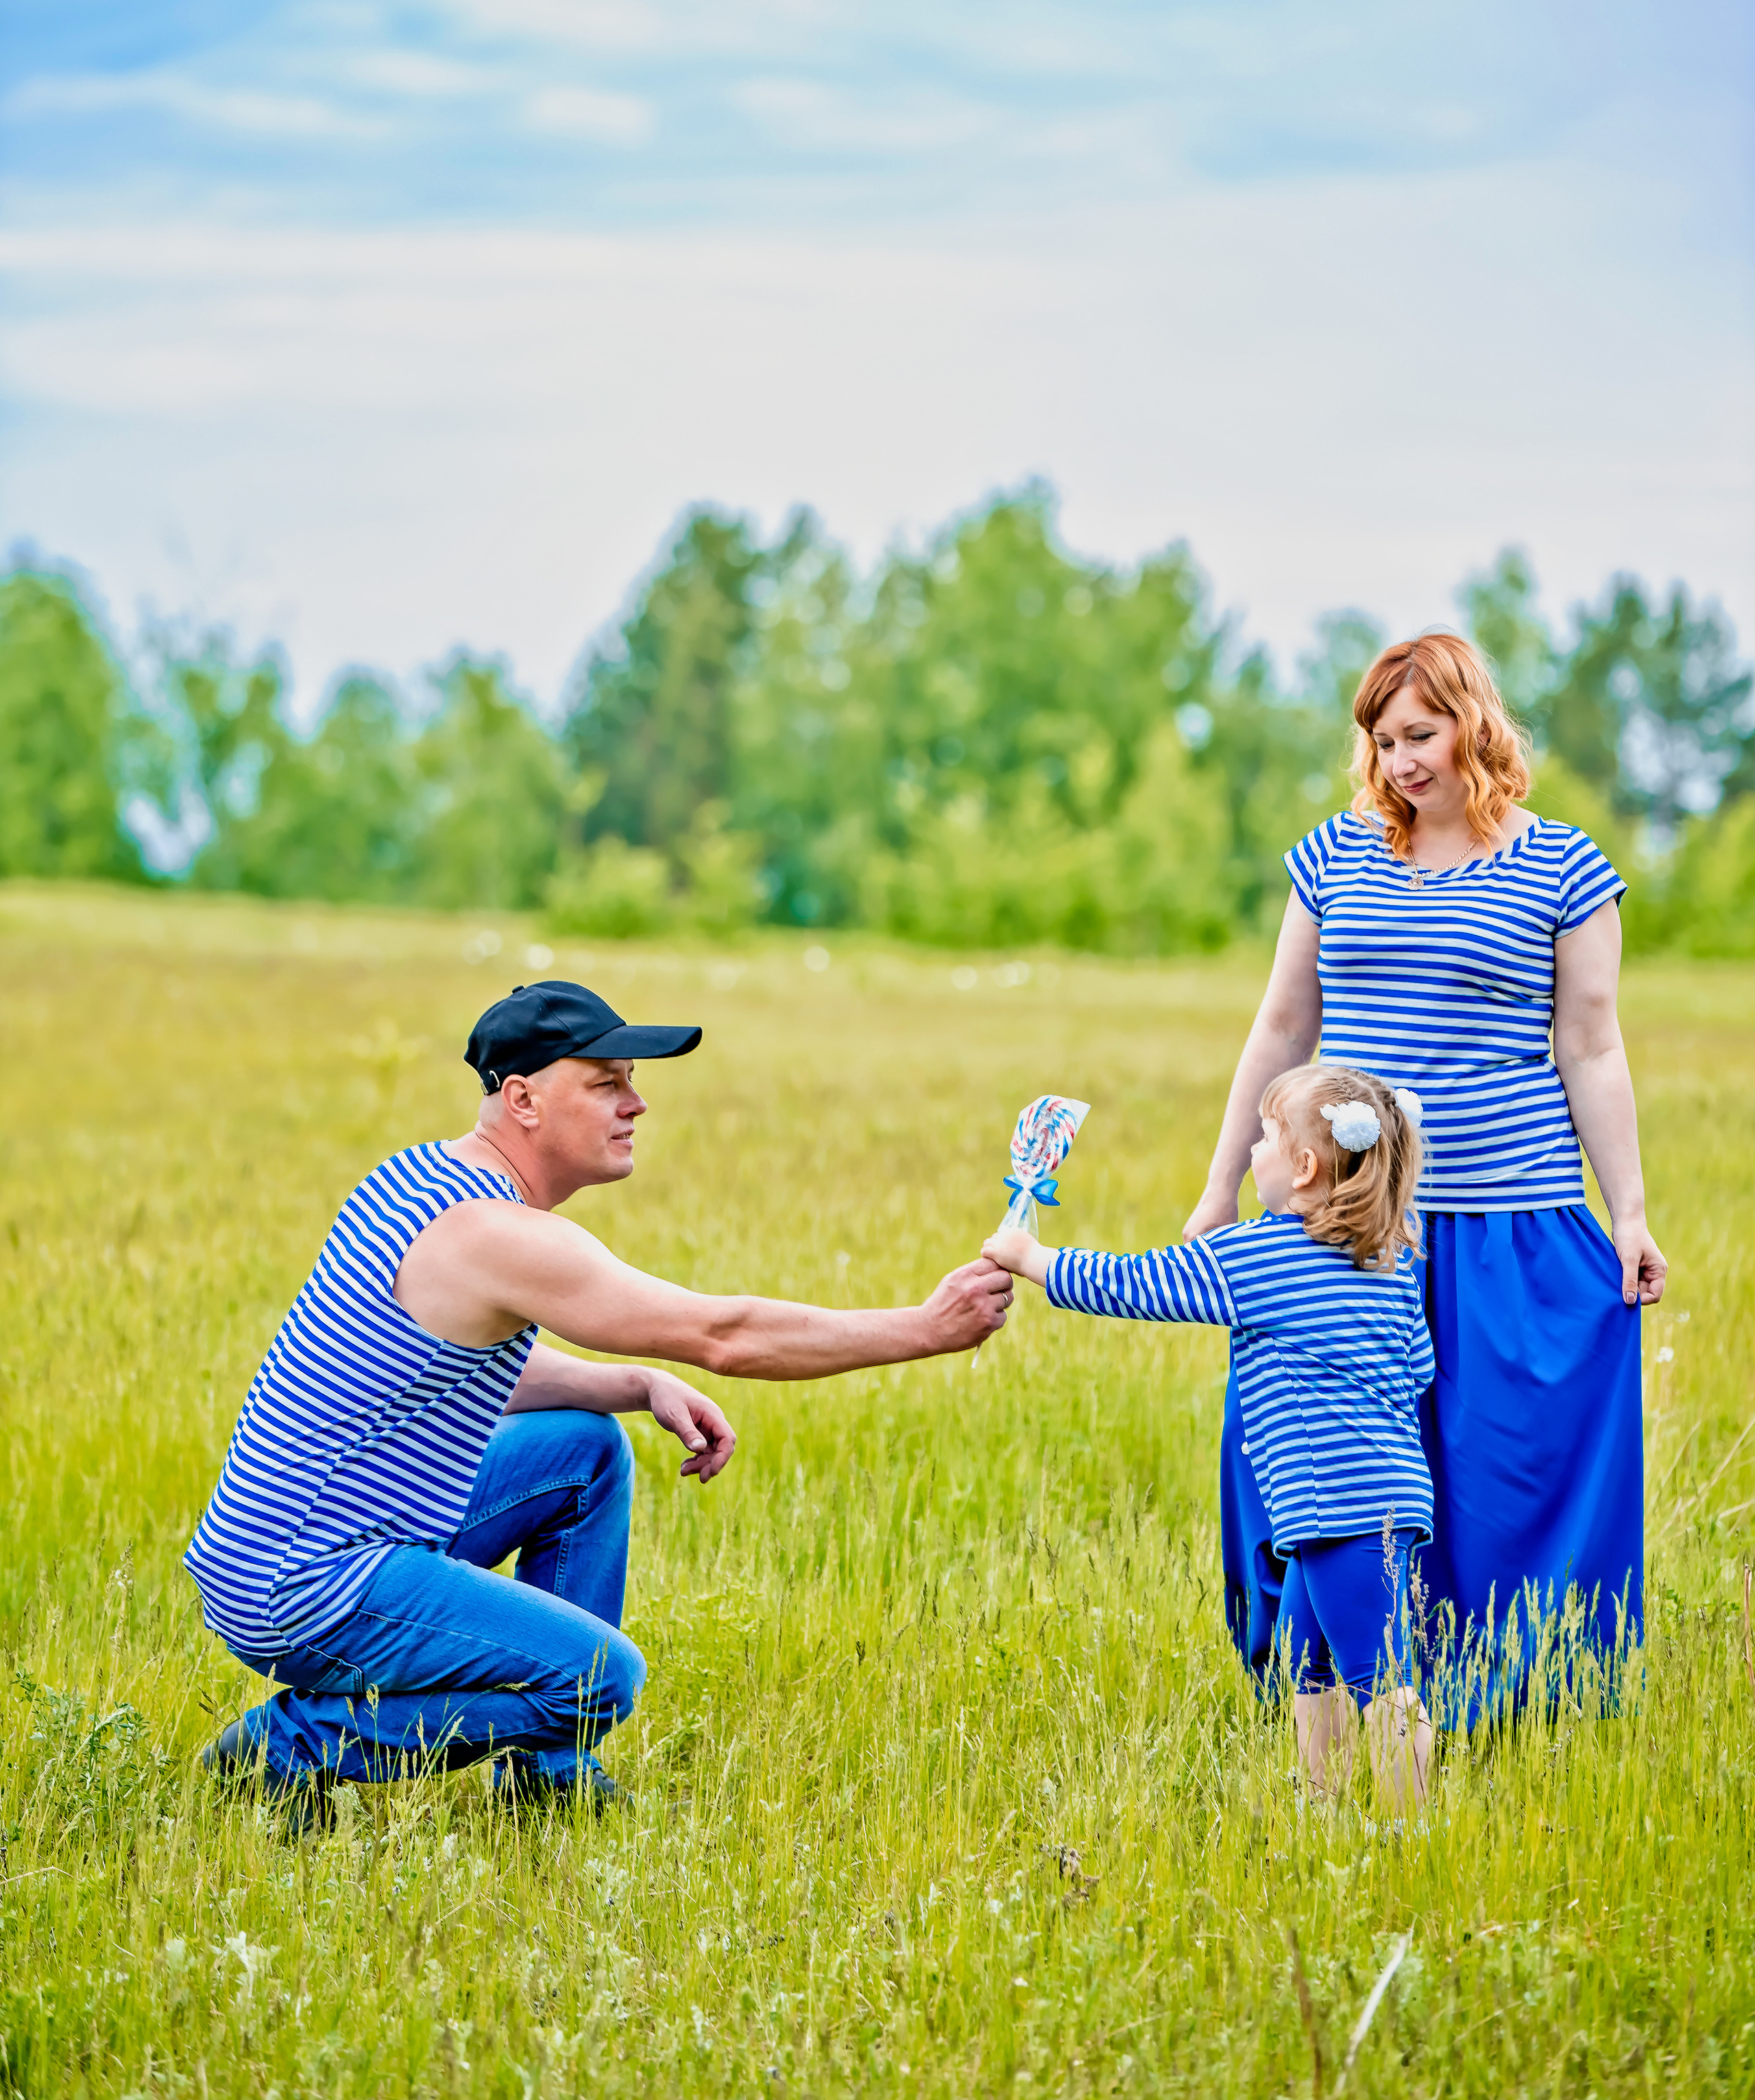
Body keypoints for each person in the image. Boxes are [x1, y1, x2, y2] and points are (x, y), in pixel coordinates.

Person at [189, 979, 1014, 1822]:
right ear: (525, 1099)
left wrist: (632, 1382)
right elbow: (722, 1333)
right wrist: (924, 1328)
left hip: (276, 1553)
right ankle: (287, 1749)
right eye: (607, 1082)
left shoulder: (423, 1177)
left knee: (583, 1449)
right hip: (307, 1584)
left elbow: (456, 1364)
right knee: (599, 1677)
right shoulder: (497, 1233)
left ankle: (545, 1773)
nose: (637, 1102)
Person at [1183, 632, 1665, 1722]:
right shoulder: (1336, 858)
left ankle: (1509, 1694)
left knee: (1493, 1472)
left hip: (1509, 1222)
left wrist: (1627, 1214)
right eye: (1382, 739)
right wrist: (1220, 1192)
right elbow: (1280, 1028)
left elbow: (1591, 1045)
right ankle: (1334, 1688)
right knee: (1325, 1463)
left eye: (1421, 734)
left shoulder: (1565, 868)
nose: (1399, 761)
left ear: (1475, 728)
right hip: (1341, 1227)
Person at [988, 1064, 1436, 1807]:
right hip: (1387, 1497)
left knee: (1381, 1682)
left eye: (1264, 1136)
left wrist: (1032, 1260)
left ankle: (1411, 1830)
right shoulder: (1389, 1262)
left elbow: (1139, 1284)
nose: (1251, 1149)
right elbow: (1416, 1368)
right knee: (1308, 1661)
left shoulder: (1260, 1254)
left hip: (1335, 1509)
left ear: (1302, 1165)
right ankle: (1319, 1807)